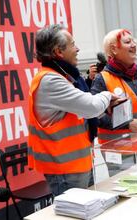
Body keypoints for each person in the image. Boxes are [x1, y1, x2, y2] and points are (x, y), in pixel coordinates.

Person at [28, 24, 122, 196]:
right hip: (65, 169)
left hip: (77, 164)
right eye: (72, 44)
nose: (77, 48)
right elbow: (91, 107)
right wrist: (107, 96)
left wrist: (103, 105)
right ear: (58, 51)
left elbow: (79, 112)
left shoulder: (63, 75)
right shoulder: (50, 80)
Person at [91, 29, 137, 166]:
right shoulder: (102, 79)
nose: (133, 45)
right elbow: (95, 115)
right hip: (118, 150)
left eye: (133, 41)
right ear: (114, 49)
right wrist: (128, 123)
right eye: (127, 42)